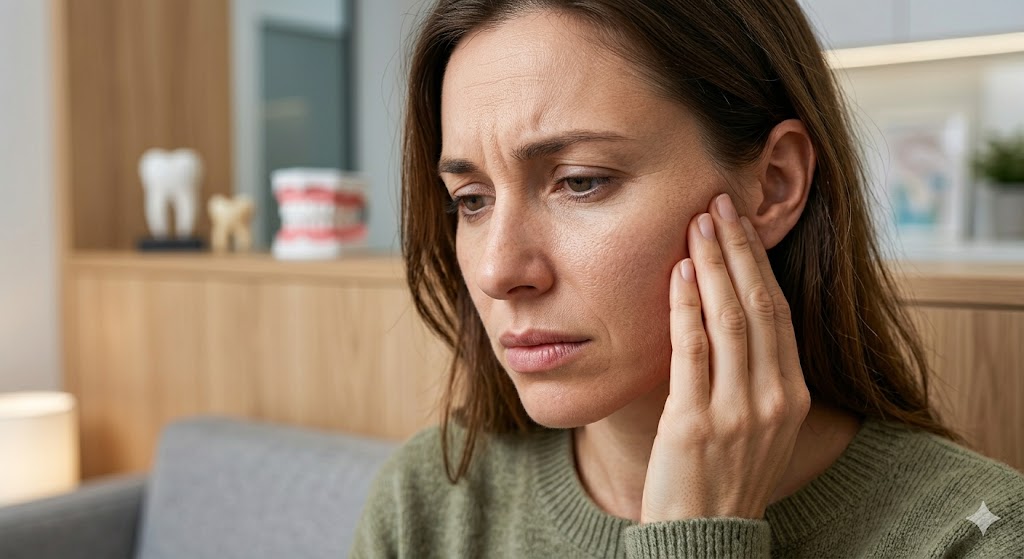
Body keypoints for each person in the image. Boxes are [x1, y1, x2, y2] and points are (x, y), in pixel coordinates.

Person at [351, 0, 1024, 556]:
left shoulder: (975, 536)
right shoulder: (431, 505)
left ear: (773, 184)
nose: (499, 270)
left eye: (580, 181)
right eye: (471, 199)